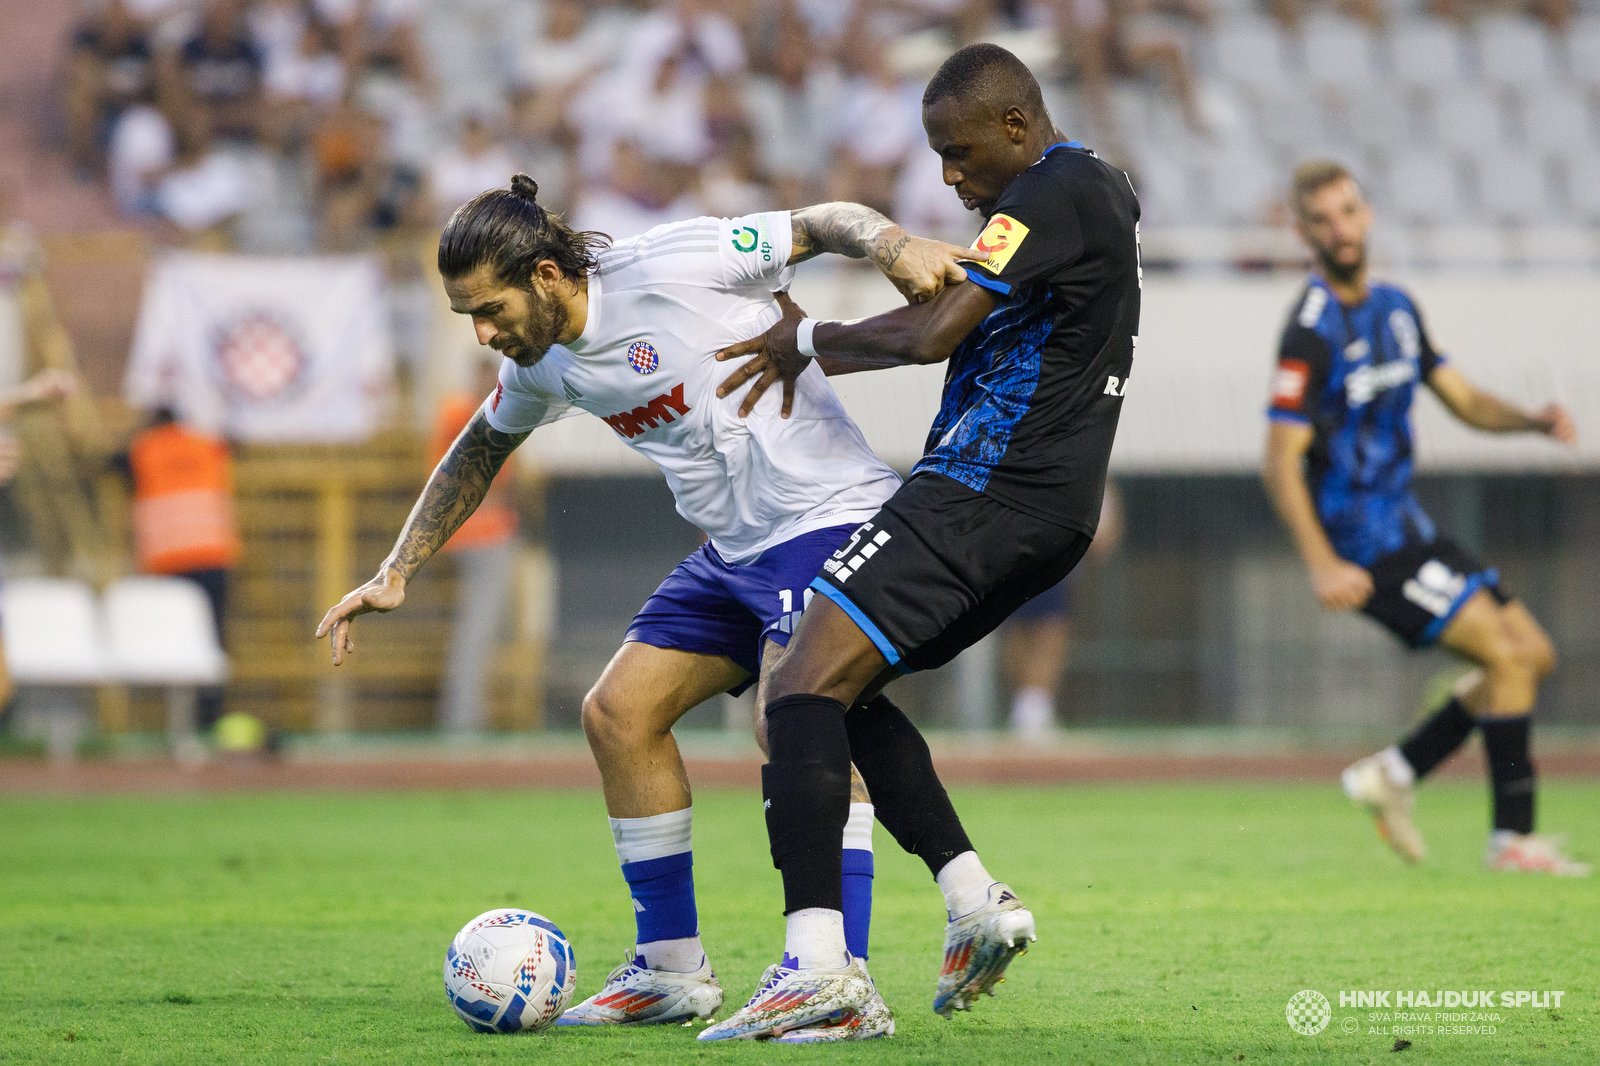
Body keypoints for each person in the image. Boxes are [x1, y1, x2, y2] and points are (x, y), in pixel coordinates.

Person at [315, 176, 981, 1040]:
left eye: (490, 309)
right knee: (618, 714)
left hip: (827, 514)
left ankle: (836, 979)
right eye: (466, 317)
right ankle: (671, 968)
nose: (483, 333)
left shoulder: (672, 263)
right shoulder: (539, 362)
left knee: (797, 715)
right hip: (735, 549)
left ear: (549, 276)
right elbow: (482, 444)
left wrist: (896, 247)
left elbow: (823, 222)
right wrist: (397, 568)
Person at [701, 43, 1139, 1039]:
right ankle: (974, 897)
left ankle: (818, 969)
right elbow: (955, 320)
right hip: (1033, 511)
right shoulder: (1067, 211)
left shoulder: (1058, 186)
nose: (948, 174)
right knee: (838, 689)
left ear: (1018, 128)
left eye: (958, 149)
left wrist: (802, 343)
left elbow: (931, 336)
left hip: (981, 496)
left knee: (797, 686)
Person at [1262, 161, 1586, 877]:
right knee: (1505, 655)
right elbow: (1280, 459)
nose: (1339, 230)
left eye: (1348, 212)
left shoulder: (1399, 309)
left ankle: (1397, 773)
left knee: (1530, 656)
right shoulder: (1310, 331)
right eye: (1322, 220)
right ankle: (1513, 841)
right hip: (1363, 549)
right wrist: (1322, 563)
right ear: (1304, 232)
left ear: (1367, 214)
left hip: (1409, 528)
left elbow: (1463, 399)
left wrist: (1531, 420)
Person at [127, 408, 241, 732]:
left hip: (168, 564)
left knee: (174, 643)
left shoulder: (143, 448)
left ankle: (178, 721)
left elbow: (107, 465)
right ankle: (209, 717)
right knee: (212, 640)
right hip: (214, 557)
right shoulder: (205, 444)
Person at [429, 356, 520, 733]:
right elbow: (485, 479)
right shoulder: (476, 412)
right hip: (484, 534)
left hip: (469, 532)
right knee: (478, 628)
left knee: (480, 627)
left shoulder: (457, 410)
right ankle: (463, 718)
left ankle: (466, 713)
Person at [1001, 480, 1122, 737]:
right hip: (1024, 554)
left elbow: (1104, 538)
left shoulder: (1093, 478)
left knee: (1048, 633)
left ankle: (1033, 708)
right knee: (1023, 632)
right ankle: (1028, 708)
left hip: (1053, 559)